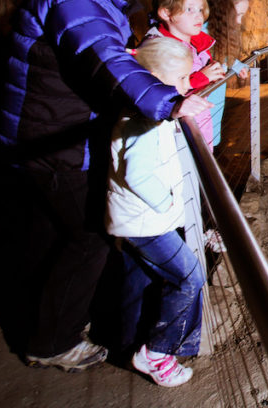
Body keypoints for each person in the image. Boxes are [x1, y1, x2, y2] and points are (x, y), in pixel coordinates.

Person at [0, 0, 211, 372]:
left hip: (47, 136)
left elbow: (107, 53)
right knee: (91, 236)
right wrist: (168, 100)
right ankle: (52, 340)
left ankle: (44, 324)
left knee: (49, 235)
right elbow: (105, 57)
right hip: (52, 139)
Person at [106, 37, 205, 387]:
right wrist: (169, 206)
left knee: (140, 280)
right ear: (150, 76)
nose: (185, 87)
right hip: (146, 222)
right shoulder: (143, 119)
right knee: (189, 277)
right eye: (180, 79)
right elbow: (138, 174)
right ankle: (158, 352)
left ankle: (127, 343)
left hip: (136, 219)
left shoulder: (147, 110)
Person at [145, 0, 226, 150]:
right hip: (176, 133)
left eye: (200, 9)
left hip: (200, 121)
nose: (199, 16)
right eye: (189, 9)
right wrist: (201, 78)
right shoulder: (158, 49)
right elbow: (156, 94)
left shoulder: (198, 43)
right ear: (166, 13)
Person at [205, 0, 251, 148]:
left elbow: (221, 57)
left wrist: (237, 66)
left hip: (214, 104)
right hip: (203, 109)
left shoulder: (216, 32)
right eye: (237, 15)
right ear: (223, 11)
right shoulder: (202, 36)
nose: (239, 21)